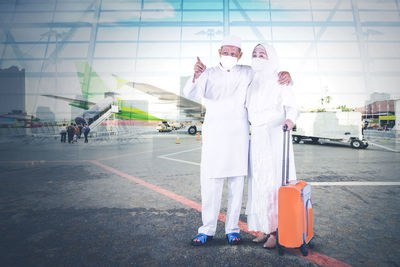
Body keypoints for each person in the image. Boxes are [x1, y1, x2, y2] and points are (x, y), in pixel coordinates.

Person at [184, 35, 292, 246]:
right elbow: (191, 93)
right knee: (211, 183)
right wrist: (196, 75)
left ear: (240, 55)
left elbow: (269, 74)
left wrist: (287, 75)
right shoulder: (208, 73)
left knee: (236, 184)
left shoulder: (247, 72)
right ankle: (206, 229)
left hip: (239, 136)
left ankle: (232, 229)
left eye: (234, 53)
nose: (229, 56)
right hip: (214, 135)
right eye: (226, 52)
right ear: (219, 52)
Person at [245, 43, 299, 248]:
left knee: (275, 181)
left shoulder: (280, 79)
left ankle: (277, 231)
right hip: (257, 135)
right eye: (254, 54)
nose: (258, 57)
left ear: (271, 57)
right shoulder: (252, 81)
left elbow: (292, 105)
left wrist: (290, 119)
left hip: (276, 134)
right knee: (259, 182)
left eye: (262, 54)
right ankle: (265, 228)